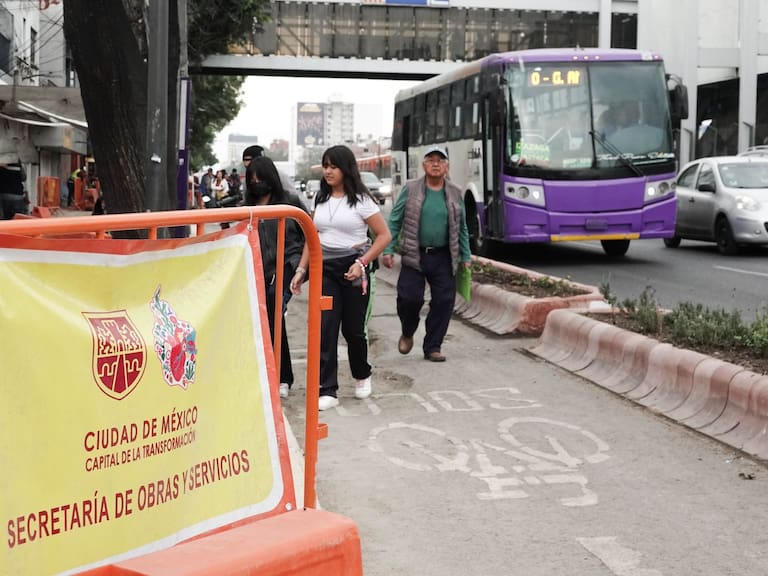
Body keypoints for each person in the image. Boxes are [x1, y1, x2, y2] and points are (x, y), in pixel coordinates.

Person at [289, 145, 391, 411]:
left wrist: (362, 263)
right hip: (325, 268)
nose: (328, 171)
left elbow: (384, 236)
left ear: (346, 169)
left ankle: (361, 374)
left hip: (354, 268)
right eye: (325, 166)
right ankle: (328, 389)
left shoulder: (362, 200)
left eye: (333, 166)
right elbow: (313, 240)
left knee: (353, 330)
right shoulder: (319, 200)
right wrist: (301, 270)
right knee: (326, 327)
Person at [381, 145, 471, 363]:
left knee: (443, 301)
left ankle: (433, 346)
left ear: (447, 166)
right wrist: (388, 248)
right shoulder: (411, 188)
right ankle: (408, 331)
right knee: (410, 299)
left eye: (440, 160)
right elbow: (394, 220)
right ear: (424, 165)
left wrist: (466, 257)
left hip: (443, 256)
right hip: (415, 253)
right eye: (431, 160)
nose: (436, 164)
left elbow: (462, 227)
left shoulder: (455, 192)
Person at [245, 156, 308, 399]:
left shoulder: (289, 203)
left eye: (261, 178)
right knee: (266, 320)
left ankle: (283, 377)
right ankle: (270, 374)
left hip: (289, 265)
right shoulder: (246, 208)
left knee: (274, 309)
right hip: (261, 270)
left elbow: (311, 235)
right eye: (252, 179)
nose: (257, 183)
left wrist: (301, 269)